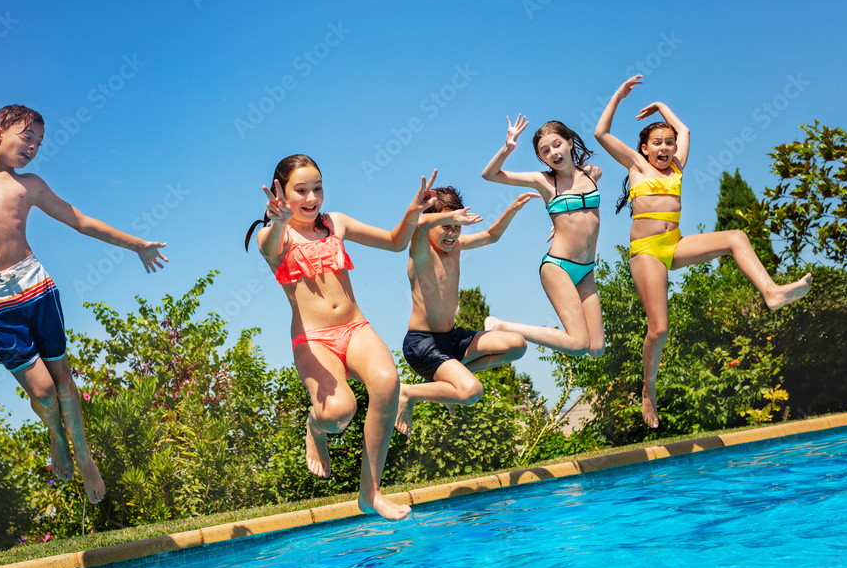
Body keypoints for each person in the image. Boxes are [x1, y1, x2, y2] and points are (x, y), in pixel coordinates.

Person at [0, 18, 169, 503]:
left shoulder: (28, 187)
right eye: (26, 136)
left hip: (34, 287)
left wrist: (137, 244)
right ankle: (57, 438)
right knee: (43, 391)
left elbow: (81, 221)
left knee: (65, 382)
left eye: (39, 142)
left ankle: (86, 456)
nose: (32, 147)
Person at [594, 74, 812, 428]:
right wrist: (619, 95)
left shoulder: (677, 167)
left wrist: (663, 106)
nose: (664, 149)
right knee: (659, 330)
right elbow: (601, 134)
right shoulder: (636, 166)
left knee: (736, 236)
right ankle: (648, 391)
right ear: (645, 148)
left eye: (669, 143)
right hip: (647, 252)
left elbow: (687, 130)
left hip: (675, 243)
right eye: (657, 143)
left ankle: (771, 292)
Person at [245, 154, 436, 521]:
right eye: (301, 190)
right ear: (280, 193)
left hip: (355, 328)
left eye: (317, 188)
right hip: (313, 339)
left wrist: (413, 211)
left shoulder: (336, 224)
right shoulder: (275, 235)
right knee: (338, 414)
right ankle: (315, 427)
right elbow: (268, 248)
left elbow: (396, 242)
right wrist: (279, 220)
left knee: (387, 383)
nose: (312, 197)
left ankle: (371, 493)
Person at [395, 186, 534, 437]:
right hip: (423, 344)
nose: (452, 234)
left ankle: (451, 382)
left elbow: (491, 235)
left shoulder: (456, 247)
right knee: (471, 392)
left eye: (457, 227)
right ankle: (408, 392)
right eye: (446, 226)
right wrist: (448, 217)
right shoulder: (422, 250)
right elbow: (418, 224)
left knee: (517, 345)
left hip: (453, 339)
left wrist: (512, 209)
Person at [481, 115, 607, 358]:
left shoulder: (593, 174)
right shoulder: (544, 181)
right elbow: (490, 174)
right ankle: (500, 325)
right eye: (545, 151)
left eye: (557, 145)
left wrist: (562, 223)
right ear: (541, 158)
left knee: (597, 349)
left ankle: (501, 326)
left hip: (586, 269)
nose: (553, 153)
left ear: (570, 143)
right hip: (558, 266)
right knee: (579, 345)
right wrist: (508, 147)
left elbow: (582, 216)